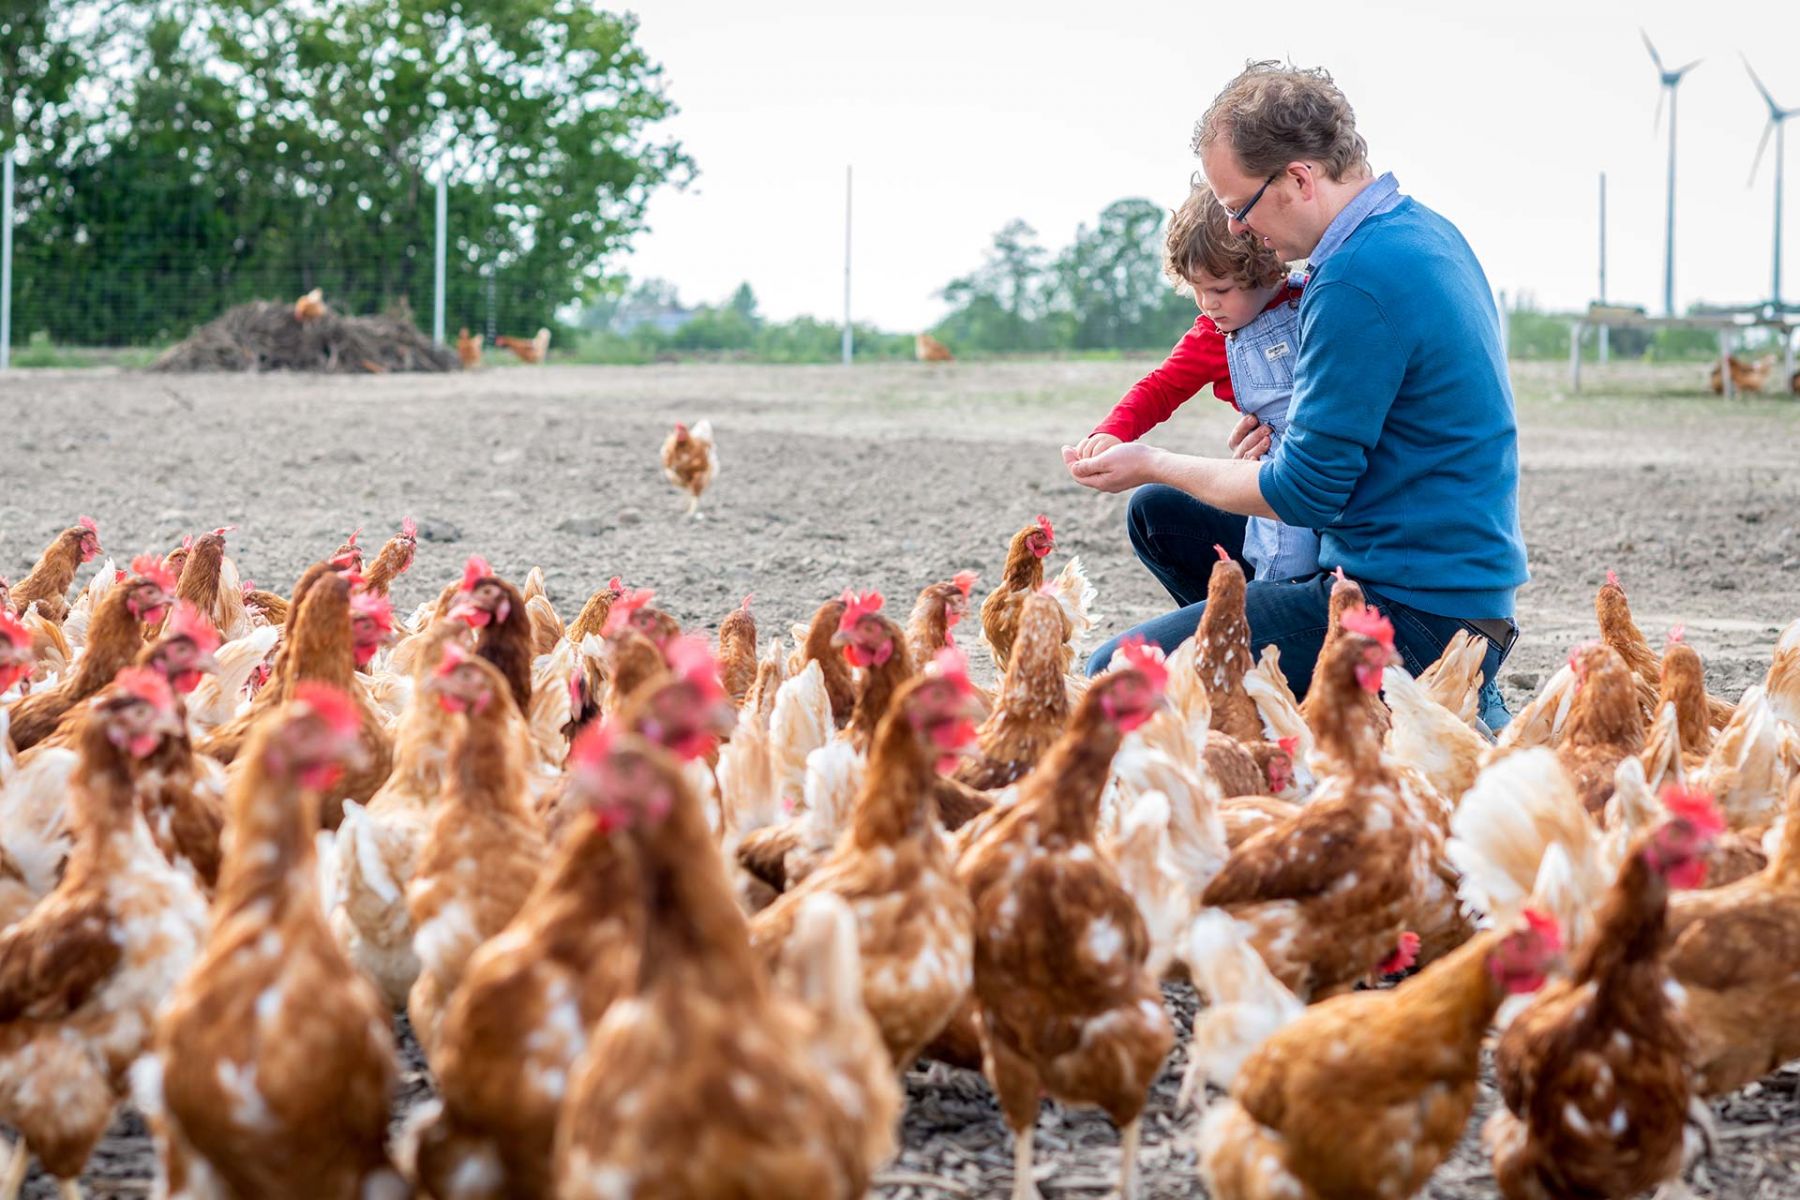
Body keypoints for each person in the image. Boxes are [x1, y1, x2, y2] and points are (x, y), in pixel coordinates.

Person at [1065, 61, 1526, 733]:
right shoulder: (1420, 231)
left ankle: (1367, 697)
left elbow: (1304, 493)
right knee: (1162, 515)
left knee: (1111, 677)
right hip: (1453, 586)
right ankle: (1274, 689)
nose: (1242, 232)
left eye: (1239, 209)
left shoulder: (1352, 280)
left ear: (1300, 179)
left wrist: (1155, 458)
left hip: (1408, 608)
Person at [1071, 183, 1319, 583]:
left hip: (1333, 466)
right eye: (1197, 290)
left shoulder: (1315, 301)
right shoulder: (1213, 336)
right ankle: (1267, 619)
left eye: (1220, 289)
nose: (1208, 304)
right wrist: (1112, 432)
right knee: (1285, 557)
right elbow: (1161, 387)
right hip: (1277, 478)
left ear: (1269, 267)